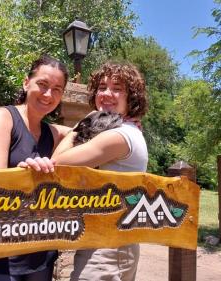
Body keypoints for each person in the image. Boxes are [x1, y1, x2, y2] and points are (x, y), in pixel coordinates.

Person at [19, 61, 149, 281]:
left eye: (117, 89)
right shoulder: (127, 132)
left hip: (107, 248)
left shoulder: (119, 136)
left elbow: (58, 163)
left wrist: (83, 123)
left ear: (131, 99)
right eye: (102, 87)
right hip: (112, 243)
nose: (107, 93)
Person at [0, 54, 71, 281]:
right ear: (26, 83)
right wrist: (22, 174)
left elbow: (85, 133)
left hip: (39, 254)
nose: (48, 94)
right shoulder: (3, 118)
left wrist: (125, 120)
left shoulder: (53, 133)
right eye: (42, 84)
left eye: (57, 89)